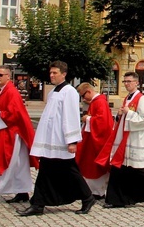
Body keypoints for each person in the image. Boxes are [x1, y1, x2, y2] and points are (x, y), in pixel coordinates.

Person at [18, 61, 94, 216]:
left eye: (55, 73)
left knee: (70, 170)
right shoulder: (53, 92)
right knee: (45, 170)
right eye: (50, 73)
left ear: (64, 74)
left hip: (61, 139)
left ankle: (87, 197)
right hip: (50, 139)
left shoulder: (69, 91)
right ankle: (38, 204)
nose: (51, 75)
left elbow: (71, 116)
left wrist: (72, 140)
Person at [96, 71, 144, 209]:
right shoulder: (127, 98)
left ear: (137, 82)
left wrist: (129, 112)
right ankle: (117, 199)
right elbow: (124, 117)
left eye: (129, 81)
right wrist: (119, 115)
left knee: (138, 170)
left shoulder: (141, 99)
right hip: (124, 139)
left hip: (135, 139)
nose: (126, 84)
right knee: (119, 169)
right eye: (125, 81)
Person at [0, 65, 38, 206]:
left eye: (1, 75)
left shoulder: (11, 92)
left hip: (10, 132)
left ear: (8, 77)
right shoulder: (3, 90)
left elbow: (15, 114)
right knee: (18, 163)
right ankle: (22, 191)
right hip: (7, 130)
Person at [75, 82, 113, 199]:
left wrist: (88, 118)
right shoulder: (96, 101)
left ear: (89, 92)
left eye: (83, 95)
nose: (83, 99)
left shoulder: (100, 102)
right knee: (89, 164)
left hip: (98, 140)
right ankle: (94, 190)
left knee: (95, 165)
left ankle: (98, 191)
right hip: (92, 138)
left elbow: (103, 122)